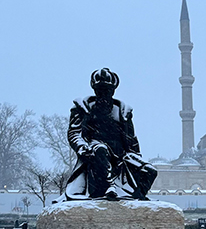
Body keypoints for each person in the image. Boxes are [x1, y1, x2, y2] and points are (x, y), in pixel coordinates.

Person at [63, 67, 157, 200]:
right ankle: (108, 187)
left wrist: (136, 159)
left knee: (150, 171)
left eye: (107, 90)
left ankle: (135, 198)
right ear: (95, 90)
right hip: (95, 151)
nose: (103, 94)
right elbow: (74, 133)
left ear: (113, 90)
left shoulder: (123, 112)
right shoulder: (83, 108)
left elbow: (131, 140)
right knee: (101, 149)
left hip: (121, 156)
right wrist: (81, 146)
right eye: (100, 90)